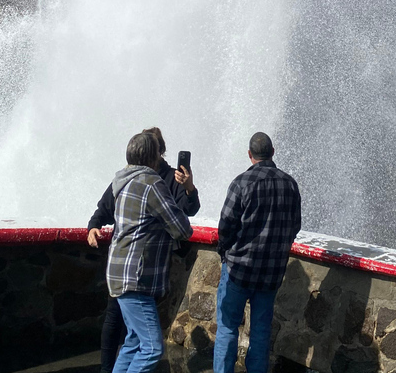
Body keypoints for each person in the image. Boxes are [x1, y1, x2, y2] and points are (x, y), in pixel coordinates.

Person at [87, 127, 200, 373]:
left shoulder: (122, 180)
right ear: (153, 157)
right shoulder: (151, 184)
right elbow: (182, 229)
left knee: (133, 341)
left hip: (119, 271)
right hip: (136, 277)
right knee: (151, 349)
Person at [214, 132, 301, 373]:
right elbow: (295, 226)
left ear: (250, 155)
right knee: (261, 333)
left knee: (228, 327)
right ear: (273, 152)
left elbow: (226, 226)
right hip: (270, 274)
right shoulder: (290, 184)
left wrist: (226, 253)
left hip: (238, 271)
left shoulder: (242, 182)